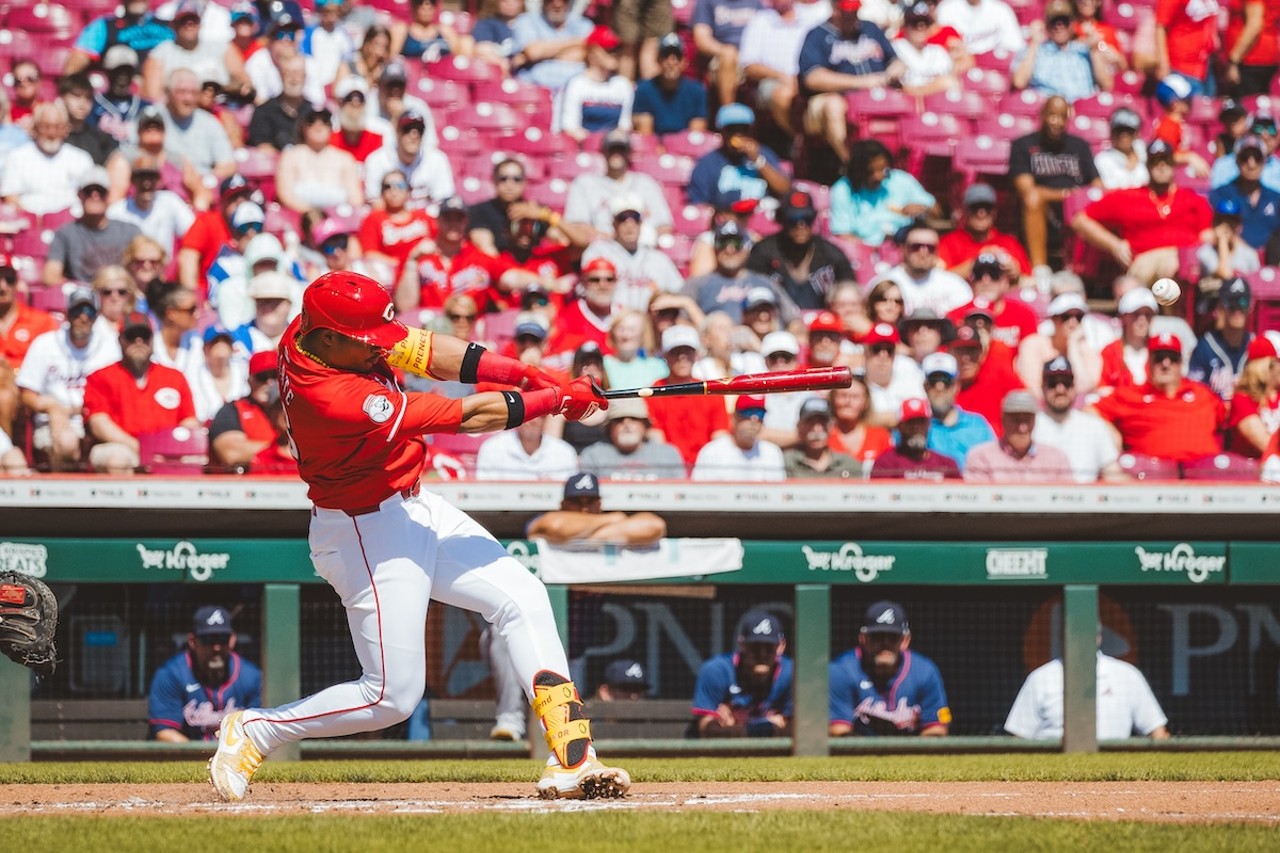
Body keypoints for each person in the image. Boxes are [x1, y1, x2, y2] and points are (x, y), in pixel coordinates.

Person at [205, 271, 628, 802]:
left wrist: (531, 373)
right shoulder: (336, 396)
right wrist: (553, 401)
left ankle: (573, 753)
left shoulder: (316, 329)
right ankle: (256, 729)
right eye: (369, 343)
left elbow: (429, 353)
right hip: (365, 531)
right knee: (391, 696)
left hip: (413, 504)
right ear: (330, 339)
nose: (383, 348)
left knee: (523, 597)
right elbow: (465, 414)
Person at [488, 471, 667, 739]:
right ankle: (509, 721)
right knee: (498, 633)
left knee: (568, 718)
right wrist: (612, 521)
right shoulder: (547, 523)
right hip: (527, 633)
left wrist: (590, 533)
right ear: (563, 505)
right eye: (576, 502)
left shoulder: (599, 527)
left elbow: (654, 526)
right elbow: (554, 527)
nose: (584, 508)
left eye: (590, 502)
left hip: (573, 647)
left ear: (599, 504)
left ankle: (560, 739)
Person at [1071, 139, 1213, 285]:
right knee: (1170, 267)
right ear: (1147, 166)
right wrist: (1114, 244)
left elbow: (1206, 237)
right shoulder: (1129, 197)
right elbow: (1079, 221)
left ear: (1173, 165)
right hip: (1146, 261)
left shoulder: (1193, 199)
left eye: (1166, 161)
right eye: (1155, 161)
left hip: (1184, 261)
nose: (1161, 166)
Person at [82, 311, 200, 474]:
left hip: (167, 450)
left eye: (144, 336)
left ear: (153, 340)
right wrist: (142, 448)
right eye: (131, 336)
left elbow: (189, 421)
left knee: (194, 458)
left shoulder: (174, 377)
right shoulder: (100, 377)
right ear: (120, 340)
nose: (138, 342)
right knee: (117, 459)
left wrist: (177, 448)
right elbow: (99, 424)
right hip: (122, 446)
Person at [17, 287, 121, 471]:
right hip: (52, 420)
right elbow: (26, 393)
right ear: (67, 315)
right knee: (66, 443)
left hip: (97, 418)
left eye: (89, 312)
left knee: (118, 457)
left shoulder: (109, 344)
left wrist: (79, 409)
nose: (83, 317)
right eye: (77, 311)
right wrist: (51, 406)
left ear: (96, 316)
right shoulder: (45, 343)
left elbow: (117, 393)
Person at [1089, 332, 1225, 463]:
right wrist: (1111, 433)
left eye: (1172, 358)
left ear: (1181, 363)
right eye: (1159, 358)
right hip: (1150, 478)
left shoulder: (1202, 393)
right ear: (1149, 363)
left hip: (1205, 476)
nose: (1166, 364)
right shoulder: (1131, 394)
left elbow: (1229, 416)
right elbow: (1088, 412)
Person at [797, 0, 904, 163]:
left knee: (910, 97)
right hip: (833, 97)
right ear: (835, 10)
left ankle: (902, 162)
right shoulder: (817, 34)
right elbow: (813, 78)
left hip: (876, 94)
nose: (852, 16)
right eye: (847, 12)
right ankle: (851, 165)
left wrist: (893, 72)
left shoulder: (870, 28)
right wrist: (861, 82)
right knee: (833, 105)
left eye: (855, 11)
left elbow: (896, 61)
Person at [829, 601, 950, 737]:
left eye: (892, 637)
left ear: (905, 640)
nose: (885, 644)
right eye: (877, 637)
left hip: (910, 753)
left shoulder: (925, 671)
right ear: (863, 639)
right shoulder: (842, 671)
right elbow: (839, 730)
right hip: (860, 753)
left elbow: (937, 729)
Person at [1010, 95, 1102, 273]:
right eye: (1052, 115)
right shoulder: (1023, 145)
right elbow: (1026, 190)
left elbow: (1097, 185)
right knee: (1034, 198)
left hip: (1079, 210)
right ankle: (1040, 270)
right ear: (1042, 115)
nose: (1056, 122)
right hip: (1044, 210)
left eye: (1062, 117)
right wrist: (1068, 195)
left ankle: (1090, 272)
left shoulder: (1079, 145)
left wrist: (1077, 198)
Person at [149, 606, 263, 743]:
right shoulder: (171, 674)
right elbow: (165, 732)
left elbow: (260, 731)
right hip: (190, 759)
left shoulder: (251, 676)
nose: (216, 647)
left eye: (222, 639)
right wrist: (199, 757)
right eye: (207, 640)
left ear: (232, 640)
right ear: (193, 641)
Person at [1005, 647, 1170, 740]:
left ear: (1099, 637)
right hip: (1051, 765)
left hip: (1115, 764)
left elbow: (1157, 731)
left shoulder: (1126, 674)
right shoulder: (1041, 677)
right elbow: (1018, 737)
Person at [690, 608, 792, 738]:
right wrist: (769, 725)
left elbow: (798, 731)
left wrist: (735, 728)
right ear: (742, 645)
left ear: (781, 646)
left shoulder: (792, 673)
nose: (762, 654)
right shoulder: (717, 670)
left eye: (768, 647)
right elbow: (706, 730)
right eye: (755, 647)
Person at [746, 190, 856, 311]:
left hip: (822, 323)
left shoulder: (831, 254)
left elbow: (851, 292)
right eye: (794, 219)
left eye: (807, 219)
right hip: (777, 321)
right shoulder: (764, 252)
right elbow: (751, 293)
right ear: (783, 220)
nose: (801, 225)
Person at [564, 129, 673, 246]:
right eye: (612, 149)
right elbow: (577, 226)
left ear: (629, 153)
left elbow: (664, 226)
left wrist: (638, 240)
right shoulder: (585, 183)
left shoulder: (646, 183)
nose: (616, 154)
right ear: (603, 152)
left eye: (621, 149)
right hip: (602, 252)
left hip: (643, 249)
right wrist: (617, 239)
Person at [43, 168, 144, 287]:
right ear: (79, 194)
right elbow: (50, 276)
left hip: (121, 296)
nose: (95, 196)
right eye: (88, 191)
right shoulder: (65, 234)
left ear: (108, 195)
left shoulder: (130, 232)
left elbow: (146, 269)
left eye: (100, 191)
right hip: (83, 299)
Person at [646, 325, 730, 465]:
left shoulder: (711, 392)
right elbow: (657, 441)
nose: (682, 357)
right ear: (665, 356)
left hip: (706, 468)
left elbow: (720, 439)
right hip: (668, 468)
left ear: (696, 355)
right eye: (675, 352)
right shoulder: (655, 392)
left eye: (687, 351)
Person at [581, 195, 682, 312]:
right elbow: (587, 288)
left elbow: (678, 291)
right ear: (614, 224)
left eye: (635, 218)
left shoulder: (658, 258)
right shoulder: (598, 251)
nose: (630, 225)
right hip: (610, 322)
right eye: (622, 219)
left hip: (649, 324)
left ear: (641, 223)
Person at [1033, 356, 1126, 482]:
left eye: (1066, 383)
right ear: (1043, 387)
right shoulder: (1030, 426)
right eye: (1053, 383)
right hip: (1042, 498)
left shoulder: (1094, 426)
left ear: (1074, 386)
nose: (1060, 389)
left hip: (1087, 498)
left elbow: (1113, 473)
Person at [830, 140, 936, 247]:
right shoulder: (843, 189)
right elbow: (842, 235)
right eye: (870, 171)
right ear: (858, 170)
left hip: (905, 249)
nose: (878, 176)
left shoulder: (902, 180)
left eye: (882, 169)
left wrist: (922, 210)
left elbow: (937, 211)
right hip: (865, 253)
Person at [0, 100, 96, 216]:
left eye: (57, 127)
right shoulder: (17, 157)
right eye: (45, 127)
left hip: (71, 223)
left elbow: (91, 196)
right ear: (35, 129)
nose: (51, 133)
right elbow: (11, 196)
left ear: (66, 130)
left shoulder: (81, 159)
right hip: (32, 221)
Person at [683, 222, 791, 324]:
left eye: (737, 243)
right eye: (723, 243)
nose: (730, 250)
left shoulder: (766, 283)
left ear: (746, 248)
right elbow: (681, 321)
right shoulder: (697, 284)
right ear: (715, 249)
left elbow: (793, 319)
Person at [687, 103, 790, 207]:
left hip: (762, 216)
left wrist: (757, 160)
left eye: (744, 129)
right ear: (721, 131)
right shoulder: (707, 164)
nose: (738, 134)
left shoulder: (763, 154)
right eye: (731, 129)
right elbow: (698, 205)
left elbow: (785, 190)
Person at [1012, 0, 1113, 102]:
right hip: (1049, 109)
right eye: (1054, 21)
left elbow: (1107, 85)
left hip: (1081, 108)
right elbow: (1019, 82)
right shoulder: (1035, 50)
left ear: (1072, 24)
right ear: (1046, 25)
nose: (1059, 26)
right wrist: (1034, 43)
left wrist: (1094, 50)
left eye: (1064, 21)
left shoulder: (1084, 50)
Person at [964, 389, 1072, 481]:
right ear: (1003, 420)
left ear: (1034, 421)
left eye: (1027, 420)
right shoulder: (981, 457)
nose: (1022, 428)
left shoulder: (1056, 459)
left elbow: (1069, 500)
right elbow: (978, 502)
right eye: (1016, 420)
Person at [876, 221, 973, 317]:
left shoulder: (955, 285)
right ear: (903, 249)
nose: (923, 252)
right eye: (916, 247)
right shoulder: (884, 283)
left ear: (936, 252)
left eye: (930, 248)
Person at [1015, 292, 1103, 397]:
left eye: (1078, 317)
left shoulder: (1086, 349)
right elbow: (1033, 389)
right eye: (1066, 317)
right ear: (1053, 319)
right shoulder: (1033, 344)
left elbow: (1083, 389)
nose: (1073, 322)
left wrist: (1073, 346)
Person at [919, 351, 994, 471]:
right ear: (925, 387)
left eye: (946, 381)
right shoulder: (916, 427)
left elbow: (993, 464)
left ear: (956, 386)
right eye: (933, 382)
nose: (940, 388)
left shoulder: (977, 425)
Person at [937, 184, 1032, 279]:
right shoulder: (948, 242)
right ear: (965, 211)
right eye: (975, 208)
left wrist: (1017, 274)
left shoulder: (1010, 243)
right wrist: (980, 259)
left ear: (995, 212)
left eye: (987, 208)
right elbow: (940, 280)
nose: (981, 213)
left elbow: (1030, 281)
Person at [363, 110, 456, 206]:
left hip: (426, 218)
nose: (414, 135)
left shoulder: (437, 160)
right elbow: (375, 202)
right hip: (391, 218)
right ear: (397, 132)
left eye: (419, 130)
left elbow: (443, 202)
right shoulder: (378, 160)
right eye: (407, 129)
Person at [554, 26, 633, 139]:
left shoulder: (623, 85)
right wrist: (595, 142)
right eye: (608, 50)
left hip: (613, 147)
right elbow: (569, 127)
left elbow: (625, 126)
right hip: (582, 148)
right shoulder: (576, 84)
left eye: (617, 49)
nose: (614, 54)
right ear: (592, 51)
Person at [578, 398, 686, 480]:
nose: (627, 424)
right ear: (609, 427)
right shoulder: (593, 455)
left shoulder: (668, 455)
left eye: (634, 419)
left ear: (645, 426)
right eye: (619, 420)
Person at [1209, 135, 1280, 257]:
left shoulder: (1276, 198)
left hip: (1272, 263)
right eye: (1245, 157)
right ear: (1236, 161)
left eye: (1257, 157)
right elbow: (1216, 231)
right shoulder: (1221, 194)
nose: (1251, 164)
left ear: (1264, 161)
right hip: (1234, 259)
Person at [108, 155, 196, 254]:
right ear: (132, 181)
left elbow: (193, 232)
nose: (146, 183)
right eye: (141, 177)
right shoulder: (117, 212)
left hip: (163, 266)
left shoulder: (170, 202)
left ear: (158, 180)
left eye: (151, 177)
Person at [950, 324, 1025, 435]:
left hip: (996, 446)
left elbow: (1025, 400)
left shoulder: (997, 372)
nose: (966, 358)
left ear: (982, 353)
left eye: (971, 351)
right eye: (960, 351)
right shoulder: (943, 382)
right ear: (950, 353)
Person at [209, 351, 278, 471]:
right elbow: (231, 453)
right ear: (250, 381)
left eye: (275, 376)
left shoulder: (295, 410)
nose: (269, 383)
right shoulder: (233, 410)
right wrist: (282, 451)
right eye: (262, 377)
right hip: (249, 483)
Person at [691, 394, 787, 480]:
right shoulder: (712, 452)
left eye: (760, 413)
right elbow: (698, 494)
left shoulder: (772, 453)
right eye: (748, 412)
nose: (754, 419)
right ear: (734, 417)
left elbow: (778, 496)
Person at [1189, 276, 1255, 400]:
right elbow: (1194, 393)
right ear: (1220, 308)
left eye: (1242, 303)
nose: (1237, 310)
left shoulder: (1256, 346)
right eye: (1231, 304)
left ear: (1250, 306)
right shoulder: (1205, 347)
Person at [67, 0, 174, 75]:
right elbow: (77, 60)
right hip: (125, 85)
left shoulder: (170, 25)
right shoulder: (105, 25)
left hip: (168, 83)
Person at [631, 33, 708, 136]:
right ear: (658, 60)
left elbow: (695, 136)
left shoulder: (697, 91)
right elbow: (645, 135)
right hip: (654, 148)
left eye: (677, 56)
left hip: (685, 148)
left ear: (684, 62)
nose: (671, 62)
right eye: (665, 56)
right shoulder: (644, 90)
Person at [692, 0, 763, 109]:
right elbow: (702, 39)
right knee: (729, 56)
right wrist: (724, 50)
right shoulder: (706, 2)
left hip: (753, 56)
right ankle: (729, 115)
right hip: (720, 56)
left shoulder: (755, 2)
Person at [869, 397, 962, 479]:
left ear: (929, 425)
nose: (916, 427)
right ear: (900, 427)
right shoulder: (886, 463)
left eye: (921, 422)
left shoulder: (947, 464)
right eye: (911, 422)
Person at [511, 0, 594, 92]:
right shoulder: (527, 20)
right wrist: (575, 42)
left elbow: (587, 56)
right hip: (533, 90)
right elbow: (533, 52)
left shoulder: (583, 25)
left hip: (574, 91)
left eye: (564, 0)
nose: (557, 4)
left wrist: (543, 52)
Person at [475, 414, 579, 480]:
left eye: (540, 415)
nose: (534, 421)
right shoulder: (493, 448)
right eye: (529, 415)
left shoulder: (564, 452)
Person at [1226, 336, 1280, 457]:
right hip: (1251, 471)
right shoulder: (1242, 400)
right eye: (1278, 363)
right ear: (1265, 367)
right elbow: (1264, 443)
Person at [785, 396, 862, 478]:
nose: (816, 429)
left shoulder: (848, 465)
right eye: (810, 422)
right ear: (800, 426)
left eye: (822, 422)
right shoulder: (787, 462)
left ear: (831, 426)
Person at [1098, 286, 1158, 389]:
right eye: (1136, 314)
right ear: (1123, 317)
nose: (1142, 321)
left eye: (1148, 315)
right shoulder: (1111, 351)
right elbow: (1103, 388)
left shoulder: (1159, 349)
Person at [1153, 0, 1217, 96]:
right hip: (1182, 66)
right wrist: (1163, 64)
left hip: (1205, 66)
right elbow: (1161, 28)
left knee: (1207, 108)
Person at [828, 376, 892, 462]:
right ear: (833, 399)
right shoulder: (825, 437)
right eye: (843, 396)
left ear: (865, 402)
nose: (848, 401)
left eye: (855, 397)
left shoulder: (880, 436)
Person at [935, 0, 1026, 56]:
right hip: (961, 65)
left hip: (993, 67)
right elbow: (940, 51)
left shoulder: (1001, 9)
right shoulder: (946, 8)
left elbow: (1015, 46)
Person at [1093, 107, 1149, 190]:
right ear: (1112, 132)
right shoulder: (1102, 160)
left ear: (1136, 133)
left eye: (1128, 131)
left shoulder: (1146, 154)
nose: (1124, 135)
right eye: (1119, 130)